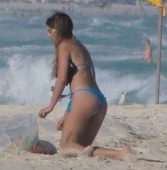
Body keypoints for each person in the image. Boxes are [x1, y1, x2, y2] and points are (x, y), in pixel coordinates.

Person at [38, 11, 133, 160]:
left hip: (83, 99)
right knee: (76, 150)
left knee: (66, 148)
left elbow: (62, 79)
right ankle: (120, 154)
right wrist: (68, 114)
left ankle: (120, 154)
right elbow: (85, 77)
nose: (48, 36)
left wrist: (51, 106)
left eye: (50, 31)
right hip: (98, 101)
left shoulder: (64, 45)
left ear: (59, 29)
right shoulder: (78, 45)